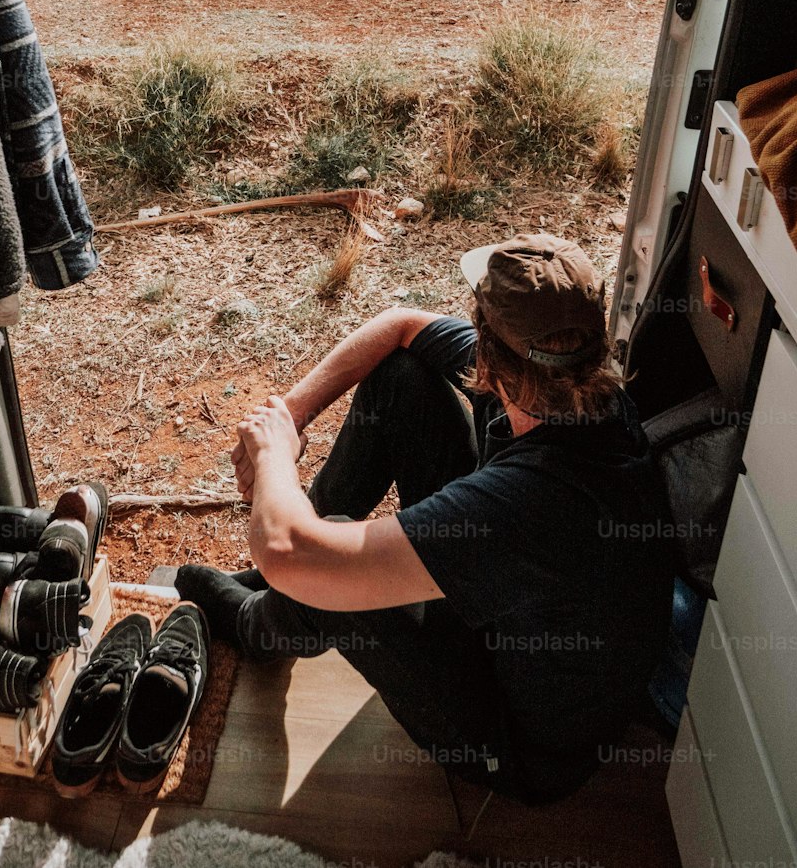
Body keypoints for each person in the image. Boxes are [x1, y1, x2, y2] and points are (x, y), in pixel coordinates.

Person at [176, 233, 674, 804]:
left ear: (491, 357)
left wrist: (271, 457)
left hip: (522, 746)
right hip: (511, 614)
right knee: (401, 378)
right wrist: (292, 412)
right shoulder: (570, 383)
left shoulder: (532, 503)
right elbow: (401, 324)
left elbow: (289, 549)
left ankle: (254, 626)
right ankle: (287, 591)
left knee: (324, 558)